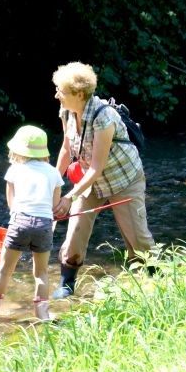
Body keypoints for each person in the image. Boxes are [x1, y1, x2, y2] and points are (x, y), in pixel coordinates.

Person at [51, 62, 155, 298]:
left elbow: (97, 168)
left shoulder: (103, 116)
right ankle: (67, 285)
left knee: (137, 237)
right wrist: (53, 183)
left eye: (61, 91)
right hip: (92, 182)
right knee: (76, 229)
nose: (56, 94)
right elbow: (66, 150)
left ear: (79, 94)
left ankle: (155, 282)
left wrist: (69, 197)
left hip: (124, 179)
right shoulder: (66, 111)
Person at [0, 126, 64, 321]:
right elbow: (54, 206)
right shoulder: (54, 173)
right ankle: (43, 314)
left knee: (5, 269)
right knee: (41, 272)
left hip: (20, 221)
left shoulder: (15, 169)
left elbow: (12, 203)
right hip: (44, 225)